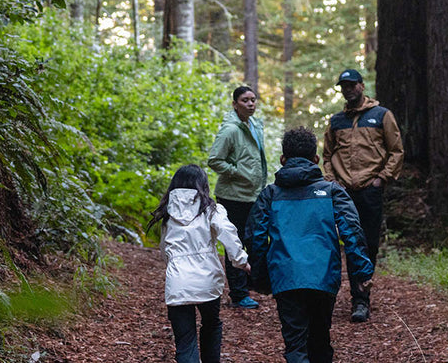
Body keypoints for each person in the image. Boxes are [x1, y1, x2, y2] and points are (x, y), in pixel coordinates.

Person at [248, 128, 374, 363]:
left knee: (295, 344)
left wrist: (260, 276)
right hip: (323, 277)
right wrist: (362, 273)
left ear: (283, 160)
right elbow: (353, 233)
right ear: (316, 159)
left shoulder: (270, 194)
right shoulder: (332, 192)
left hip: (285, 277)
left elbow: (255, 236)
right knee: (320, 339)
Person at [145, 164, 251, 363]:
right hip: (207, 280)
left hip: (178, 282)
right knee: (211, 325)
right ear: (202, 184)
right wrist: (241, 261)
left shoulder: (168, 212)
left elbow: (165, 249)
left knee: (186, 342)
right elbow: (227, 232)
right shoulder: (211, 208)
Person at [320, 69, 403, 323]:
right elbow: (326, 156)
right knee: (345, 244)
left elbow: (396, 151)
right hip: (344, 192)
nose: (348, 89)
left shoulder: (381, 115)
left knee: (368, 244)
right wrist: (333, 182)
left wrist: (381, 179)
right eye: (344, 86)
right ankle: (349, 298)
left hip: (370, 190)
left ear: (361, 85)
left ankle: (362, 297)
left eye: (352, 84)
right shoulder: (336, 121)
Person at [206, 86, 269, 309]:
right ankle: (238, 293)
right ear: (235, 104)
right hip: (233, 196)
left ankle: (249, 285)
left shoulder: (255, 125)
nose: (251, 104)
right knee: (235, 243)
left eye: (253, 100)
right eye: (245, 100)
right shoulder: (230, 130)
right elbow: (214, 159)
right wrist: (238, 173)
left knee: (252, 240)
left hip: (253, 194)